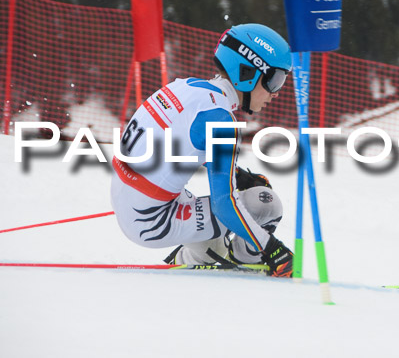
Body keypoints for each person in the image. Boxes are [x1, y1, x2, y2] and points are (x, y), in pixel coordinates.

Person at [110, 23, 294, 277]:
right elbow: (224, 204)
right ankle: (237, 262)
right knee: (267, 205)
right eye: (275, 80)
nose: (276, 93)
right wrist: (272, 249)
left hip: (127, 195)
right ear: (248, 71)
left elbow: (180, 142)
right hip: (150, 221)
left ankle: (202, 253)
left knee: (225, 228)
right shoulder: (220, 120)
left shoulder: (187, 87)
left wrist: (239, 176)